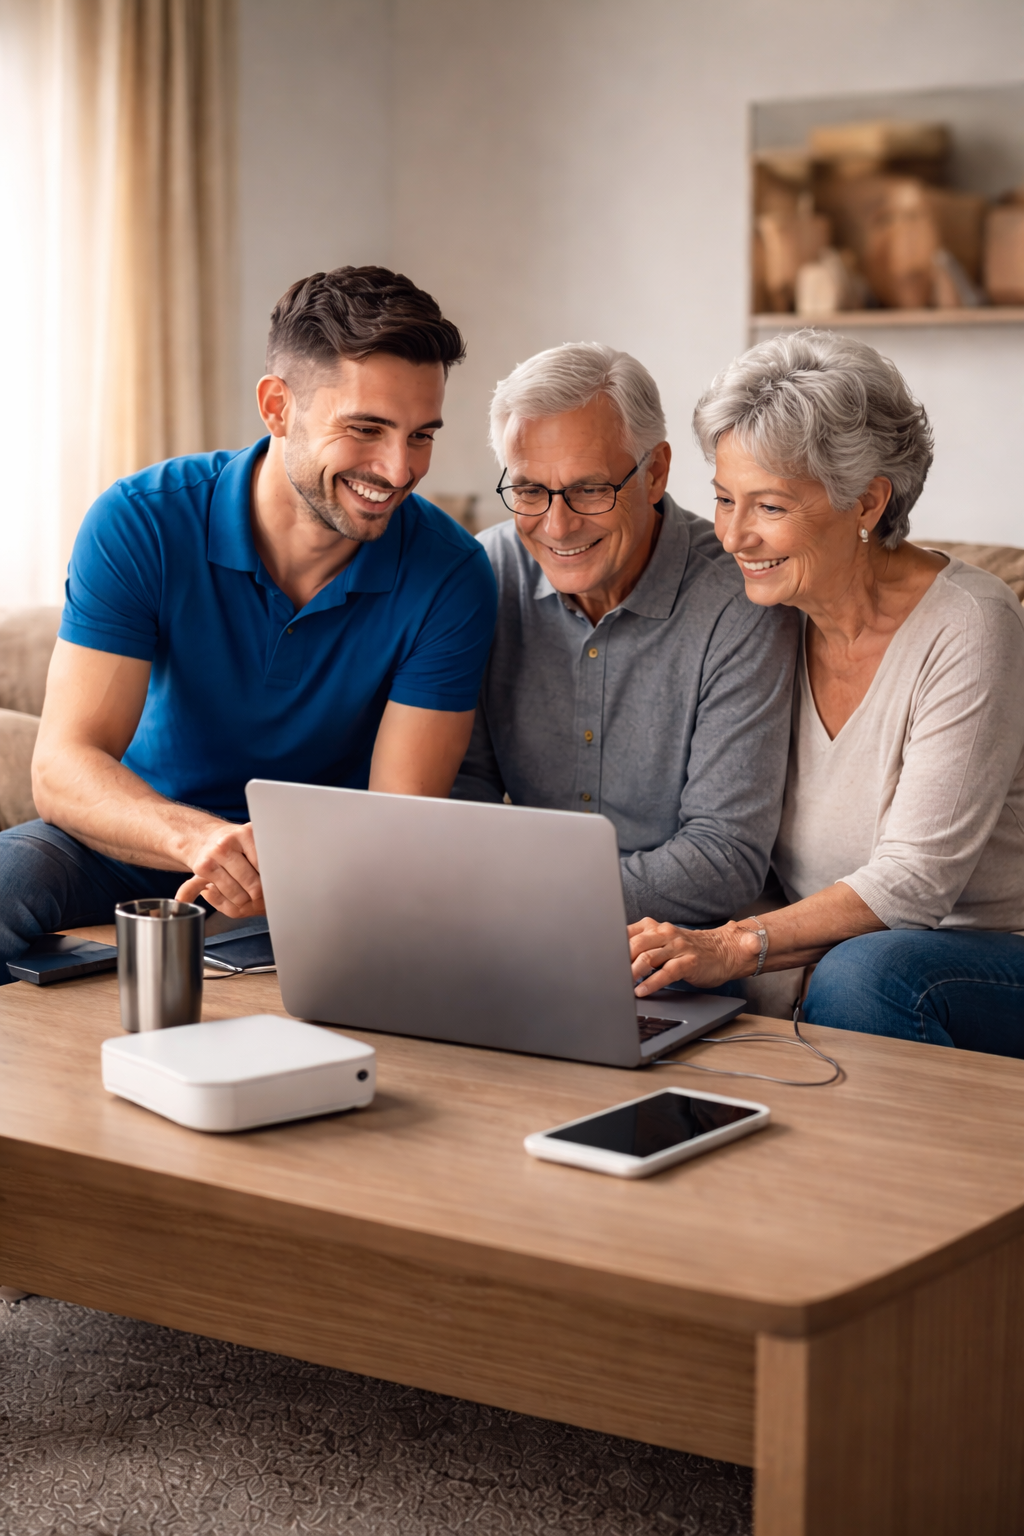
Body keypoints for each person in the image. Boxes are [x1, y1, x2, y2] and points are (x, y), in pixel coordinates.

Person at [0, 266, 497, 981]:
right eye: (366, 429)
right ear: (277, 407)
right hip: (139, 839)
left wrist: (281, 873)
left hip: (332, 869)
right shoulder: (141, 521)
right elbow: (63, 768)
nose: (397, 469)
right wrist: (199, 839)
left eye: (421, 435)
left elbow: (399, 825)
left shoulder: (450, 576)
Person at [630, 330, 1024, 1056]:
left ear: (869, 501)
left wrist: (734, 946)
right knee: (648, 968)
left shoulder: (971, 624)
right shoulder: (766, 613)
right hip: (831, 940)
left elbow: (914, 886)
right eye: (723, 499)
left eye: (769, 507)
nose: (735, 536)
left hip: (979, 954)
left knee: (869, 977)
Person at [454, 343, 798, 931]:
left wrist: (533, 901)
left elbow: (724, 858)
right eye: (530, 491)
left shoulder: (741, 600)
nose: (557, 526)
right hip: (507, 925)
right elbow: (466, 792)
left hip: (667, 942)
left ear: (657, 471)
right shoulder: (485, 575)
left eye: (590, 489)